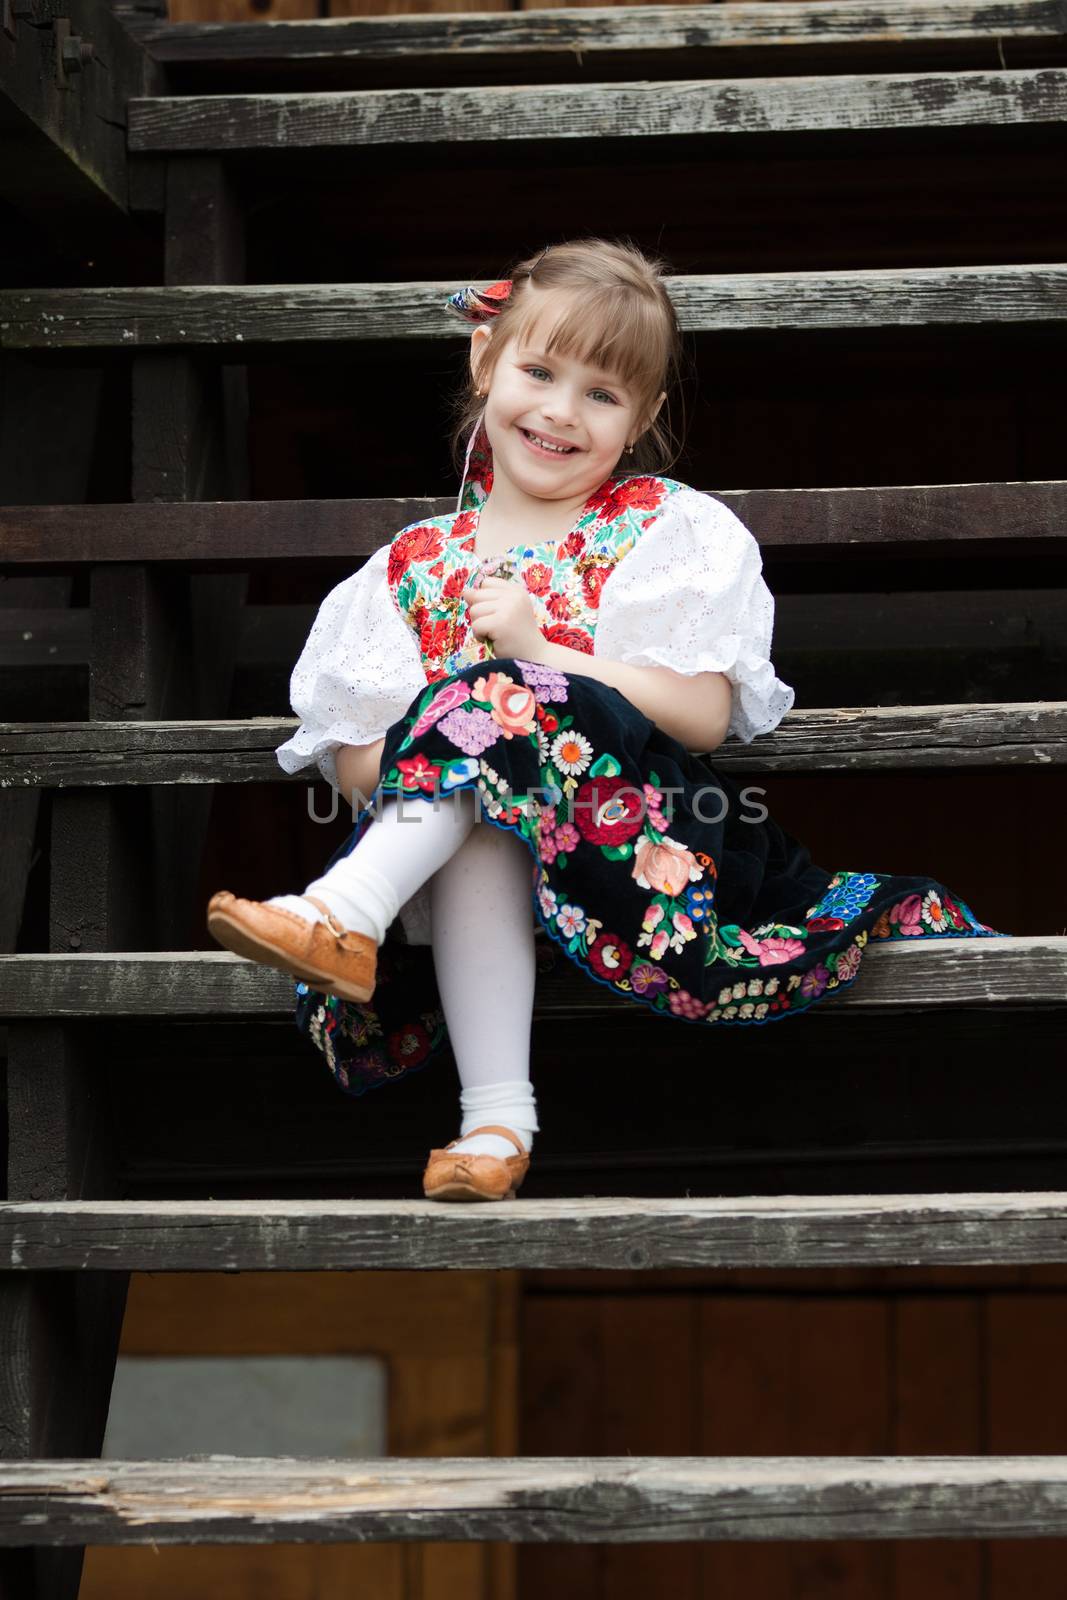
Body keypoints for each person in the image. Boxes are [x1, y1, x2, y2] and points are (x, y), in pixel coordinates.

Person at [207, 237, 1004, 1203]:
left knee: (502, 714)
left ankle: (337, 914)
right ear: (484, 361)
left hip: (641, 845)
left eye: (601, 393)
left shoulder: (666, 530)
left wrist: (543, 659)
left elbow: (705, 717)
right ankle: (497, 1123)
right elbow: (359, 773)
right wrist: (463, 724)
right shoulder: (409, 567)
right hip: (474, 864)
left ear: (645, 417)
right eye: (539, 371)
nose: (559, 412)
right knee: (478, 776)